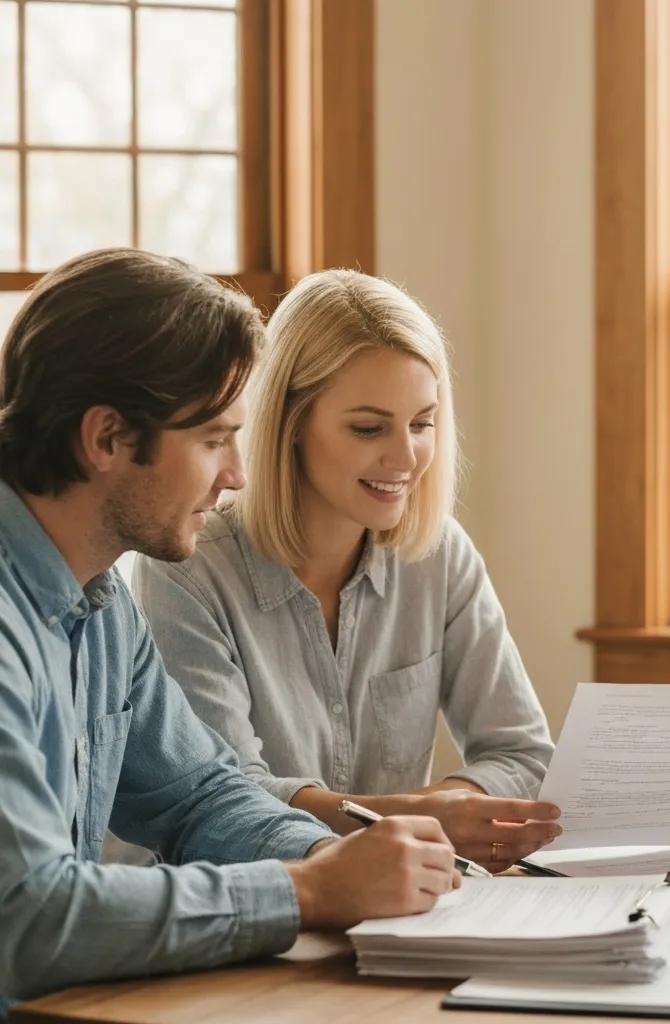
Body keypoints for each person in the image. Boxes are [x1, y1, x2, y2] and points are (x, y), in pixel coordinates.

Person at [0, 249, 459, 1017]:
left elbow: (199, 798)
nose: (239, 475)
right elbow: (28, 917)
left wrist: (332, 855)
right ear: (108, 438)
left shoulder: (103, 602)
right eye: (214, 439)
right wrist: (306, 889)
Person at [134, 269, 560, 873]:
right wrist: (415, 817)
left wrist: (450, 802)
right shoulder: (187, 568)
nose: (405, 456)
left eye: (422, 423)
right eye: (369, 428)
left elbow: (519, 750)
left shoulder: (441, 556)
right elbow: (220, 799)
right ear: (290, 423)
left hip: (395, 906)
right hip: (234, 909)